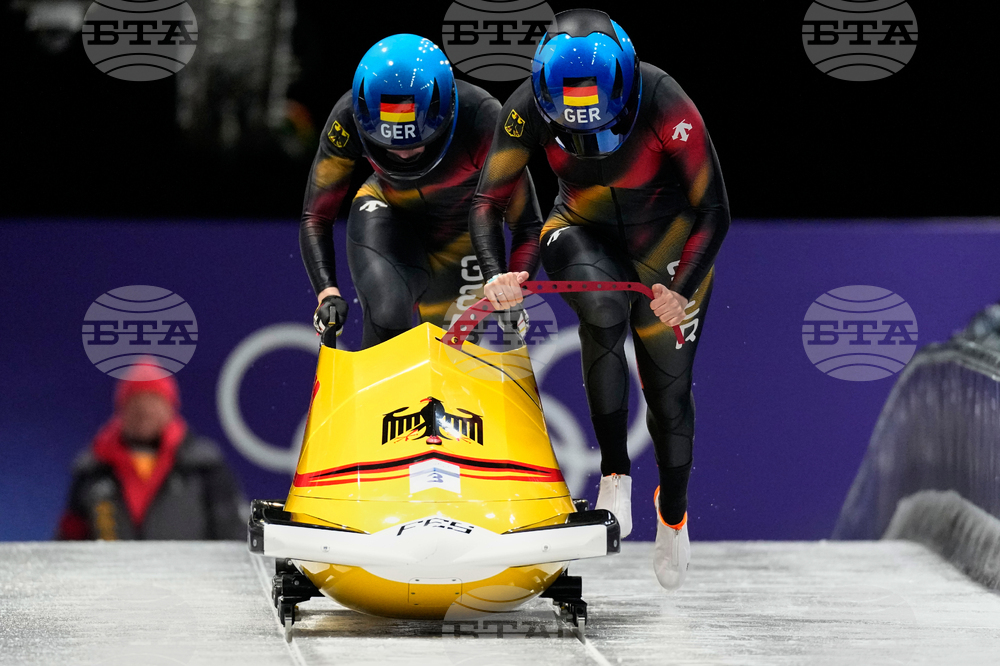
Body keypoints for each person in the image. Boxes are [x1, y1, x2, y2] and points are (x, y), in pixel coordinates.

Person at [469, 9, 730, 590]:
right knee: (604, 309)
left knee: (668, 391)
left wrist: (680, 288)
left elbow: (713, 210)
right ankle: (614, 473)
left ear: (626, 89)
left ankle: (674, 513)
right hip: (579, 226)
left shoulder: (667, 102)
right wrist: (497, 273)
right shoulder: (528, 105)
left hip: (667, 240)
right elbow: (488, 201)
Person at [299, 34, 542, 346]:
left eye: (416, 143)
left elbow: (527, 223)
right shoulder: (347, 117)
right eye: (387, 144)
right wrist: (327, 292)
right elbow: (316, 217)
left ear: (446, 114)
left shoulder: (483, 119)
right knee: (387, 314)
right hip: (386, 214)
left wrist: (514, 289)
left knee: (455, 355)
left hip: (462, 236)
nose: (402, 154)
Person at [56, 364, 246, 541]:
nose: (144, 410)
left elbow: (231, 534)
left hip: (189, 575)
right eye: (136, 399)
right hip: (110, 574)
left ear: (171, 407)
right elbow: (69, 540)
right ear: (121, 408)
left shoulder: (204, 467)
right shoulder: (92, 469)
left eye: (154, 399)